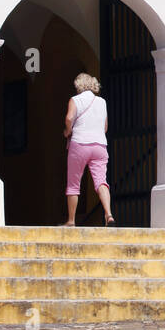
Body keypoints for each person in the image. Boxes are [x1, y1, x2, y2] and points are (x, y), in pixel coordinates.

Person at [63, 73, 114, 226]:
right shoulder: (102, 102)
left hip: (79, 144)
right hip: (99, 146)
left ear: (78, 85)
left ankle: (71, 221)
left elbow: (69, 118)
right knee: (101, 182)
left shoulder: (75, 100)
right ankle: (109, 214)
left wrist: (67, 130)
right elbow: (104, 127)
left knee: (73, 183)